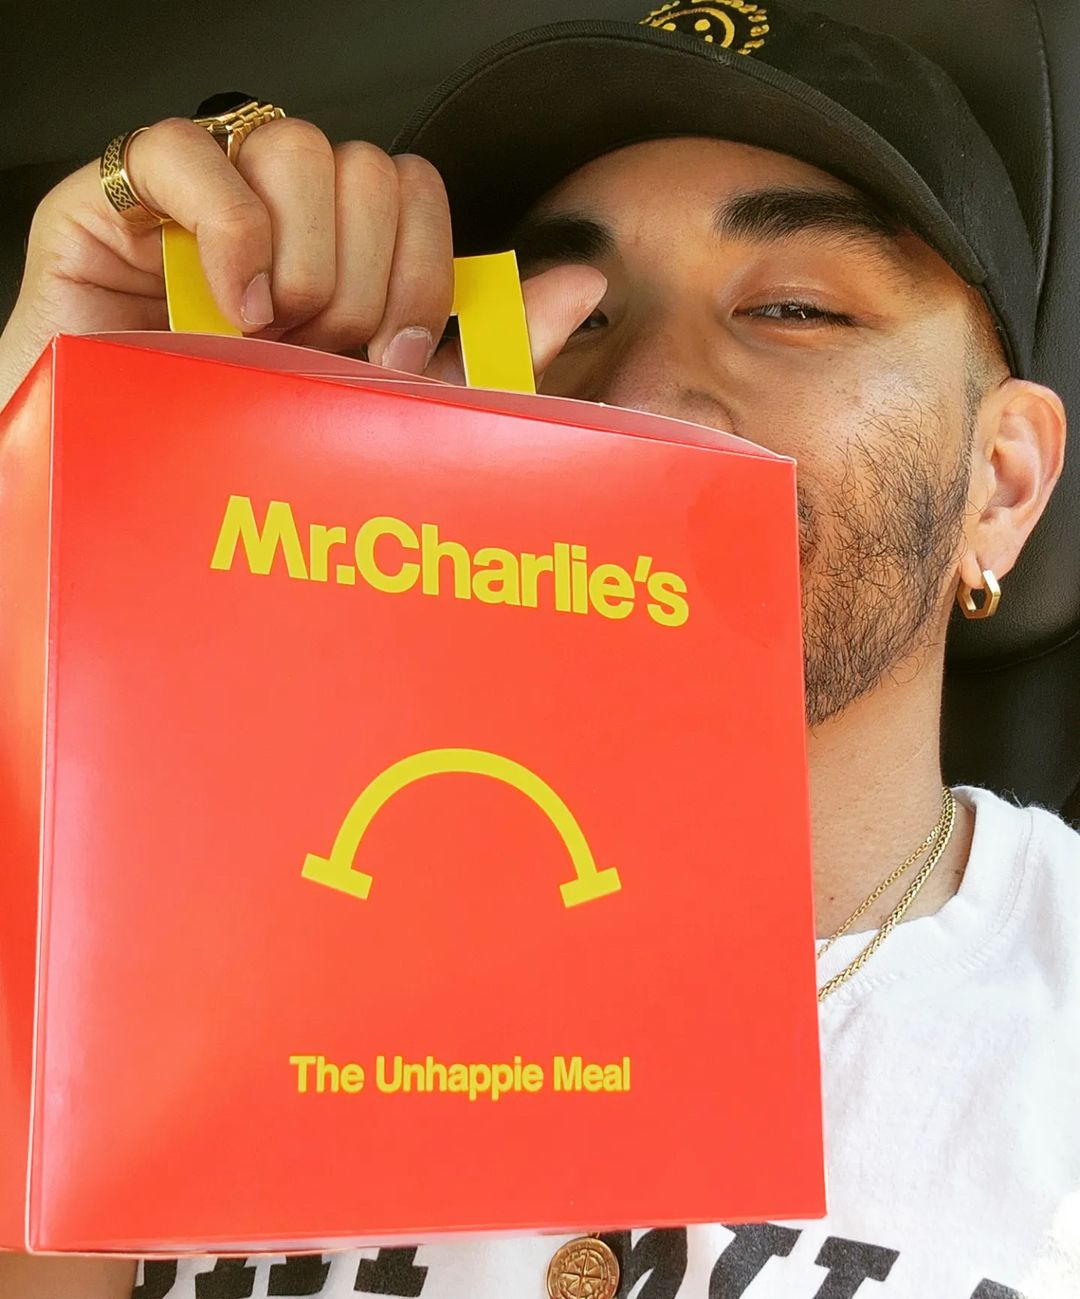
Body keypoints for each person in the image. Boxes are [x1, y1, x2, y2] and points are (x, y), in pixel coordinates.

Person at [0, 3, 1076, 1297]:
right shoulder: (175, 925)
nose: (642, 400)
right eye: (566, 319)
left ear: (1001, 484)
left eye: (795, 308)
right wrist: (60, 499)